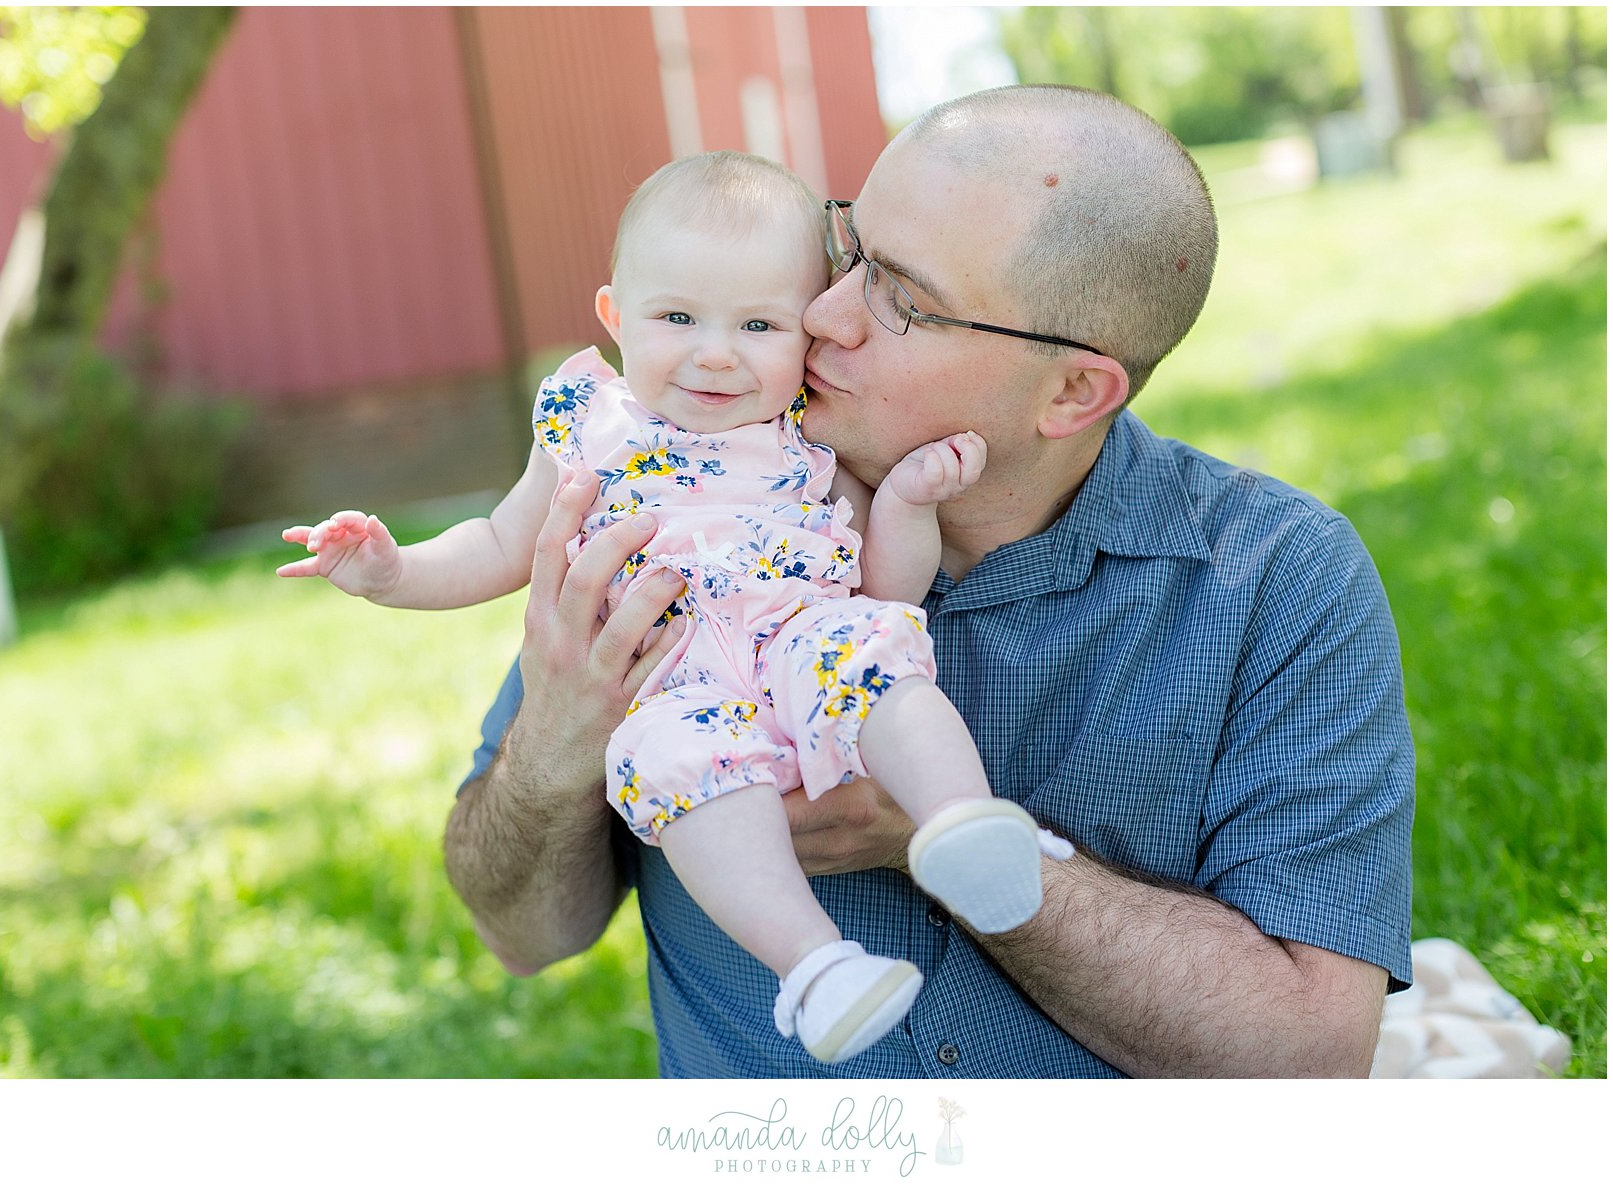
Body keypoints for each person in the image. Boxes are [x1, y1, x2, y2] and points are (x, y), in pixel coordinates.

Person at [446, 85, 1415, 1078]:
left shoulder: (1274, 579)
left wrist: (928, 838)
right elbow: (521, 934)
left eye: (899, 297)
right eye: (848, 247)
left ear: (1073, 390)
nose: (820, 312)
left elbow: (1309, 1060)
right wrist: (550, 748)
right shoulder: (682, 495)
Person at [278, 150, 1069, 1064]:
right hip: (671, 677)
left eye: (759, 324)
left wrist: (906, 502)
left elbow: (885, 589)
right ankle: (817, 967)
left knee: (880, 670)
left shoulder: (807, 432)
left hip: (799, 635)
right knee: (679, 772)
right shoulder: (587, 421)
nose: (716, 351)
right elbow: (499, 545)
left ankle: (963, 825)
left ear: (806, 336)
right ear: (615, 316)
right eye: (678, 316)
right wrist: (391, 571)